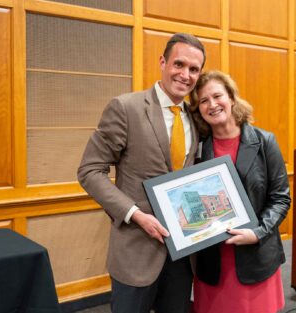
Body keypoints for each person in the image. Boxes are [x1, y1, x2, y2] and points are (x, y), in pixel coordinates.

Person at [77, 33, 205, 313]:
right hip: (136, 248)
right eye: (179, 64)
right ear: (162, 62)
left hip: (182, 254)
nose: (185, 75)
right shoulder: (126, 108)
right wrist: (135, 214)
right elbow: (89, 170)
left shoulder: (196, 117)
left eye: (194, 69)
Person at [189, 70, 291, 313]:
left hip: (255, 254)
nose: (212, 105)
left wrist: (257, 233)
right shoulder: (198, 148)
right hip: (213, 260)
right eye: (203, 101)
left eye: (217, 96)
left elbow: (280, 199)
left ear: (231, 98)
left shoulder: (265, 141)